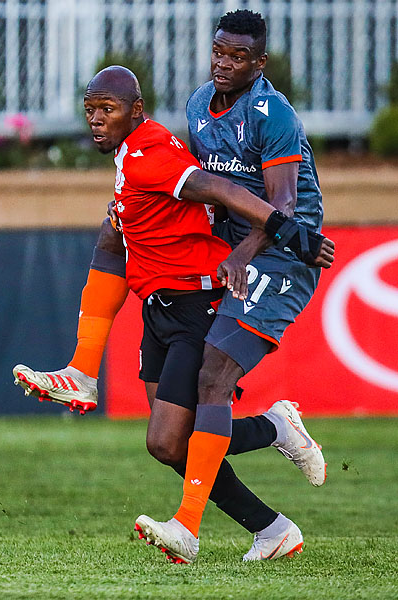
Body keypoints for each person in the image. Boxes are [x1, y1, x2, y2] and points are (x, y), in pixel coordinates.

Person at [14, 65, 332, 564]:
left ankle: (193, 523)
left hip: (194, 305)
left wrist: (290, 232)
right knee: (167, 445)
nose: (96, 120)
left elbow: (221, 190)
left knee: (174, 434)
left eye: (108, 110)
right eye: (90, 111)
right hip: (159, 308)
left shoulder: (152, 153)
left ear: (135, 111)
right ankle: (273, 521)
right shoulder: (129, 154)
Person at [133, 9, 332, 565]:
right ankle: (273, 444)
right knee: (170, 435)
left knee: (214, 373)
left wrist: (242, 254)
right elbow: (197, 186)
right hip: (228, 257)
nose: (224, 63)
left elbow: (284, 208)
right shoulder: (199, 104)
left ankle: (186, 528)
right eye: (219, 51)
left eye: (238, 56)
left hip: (282, 257)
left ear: (259, 62)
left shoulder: (274, 114)